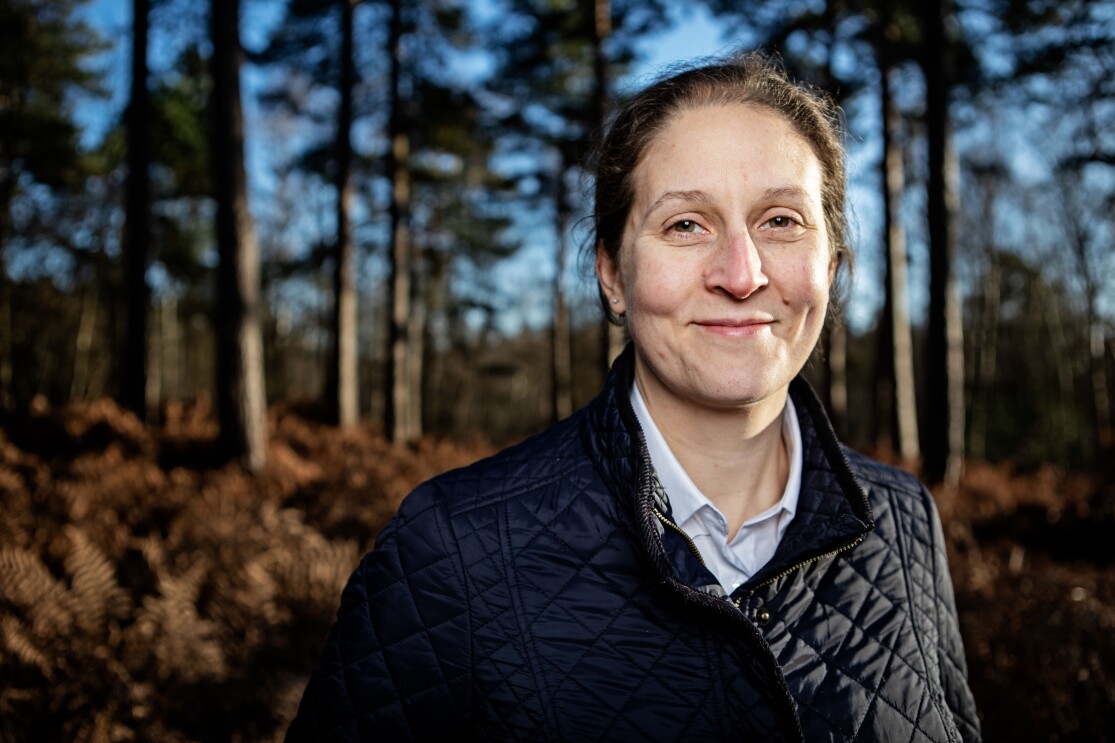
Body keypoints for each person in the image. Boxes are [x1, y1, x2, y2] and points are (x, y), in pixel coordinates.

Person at [286, 51, 981, 742]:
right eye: (685, 224)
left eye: (780, 221)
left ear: (827, 265)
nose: (741, 274)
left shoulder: (903, 519)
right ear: (613, 275)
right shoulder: (450, 547)